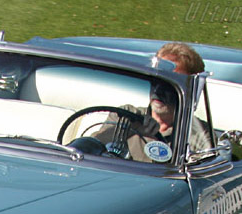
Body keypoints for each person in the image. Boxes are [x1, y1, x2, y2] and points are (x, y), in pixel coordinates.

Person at [81, 42, 212, 163]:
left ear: (189, 91)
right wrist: (132, 129)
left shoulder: (199, 133)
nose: (158, 90)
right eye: (156, 80)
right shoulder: (126, 115)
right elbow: (88, 148)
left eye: (169, 84)